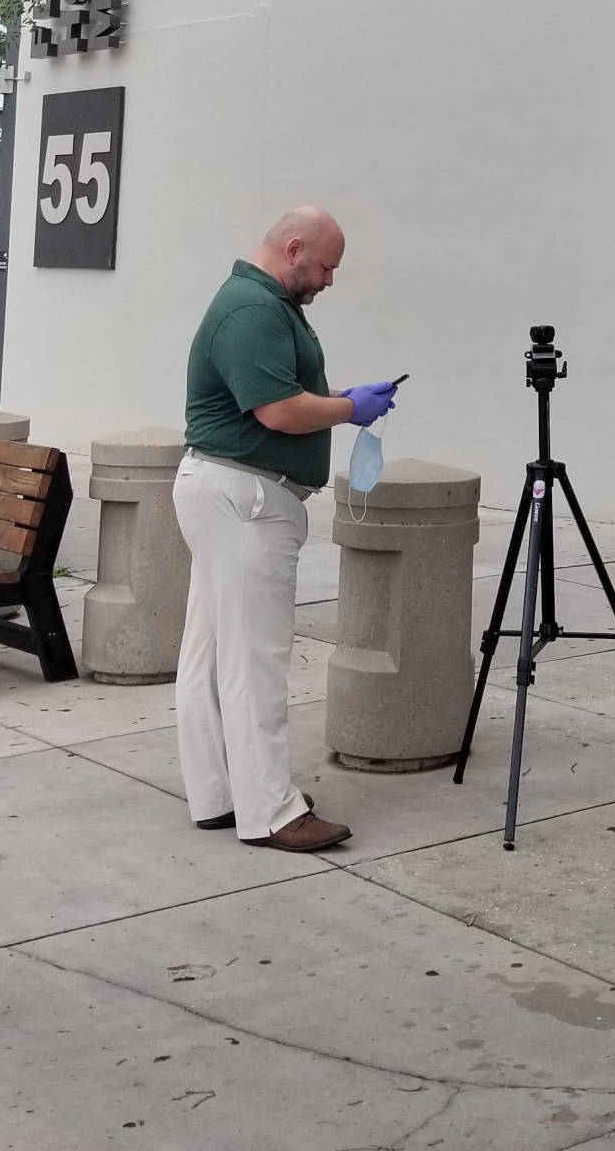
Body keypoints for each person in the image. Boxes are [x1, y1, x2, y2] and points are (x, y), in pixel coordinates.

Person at [174, 206, 398, 851]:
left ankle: (220, 795)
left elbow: (284, 399)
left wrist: (343, 401)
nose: (330, 279)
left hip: (229, 492)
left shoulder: (262, 303)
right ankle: (271, 811)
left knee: (212, 653)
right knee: (254, 660)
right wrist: (351, 409)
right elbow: (279, 412)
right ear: (294, 248)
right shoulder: (254, 310)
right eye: (326, 265)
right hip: (245, 499)